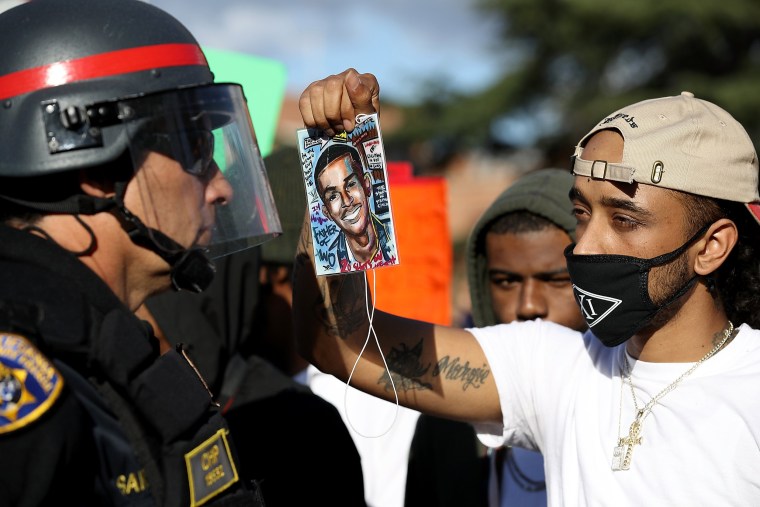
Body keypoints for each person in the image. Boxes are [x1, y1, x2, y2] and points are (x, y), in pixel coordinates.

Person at [294, 70, 760, 505]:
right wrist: (338, 143)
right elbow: (342, 341)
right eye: (582, 214)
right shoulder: (556, 368)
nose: (587, 246)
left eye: (624, 219)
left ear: (712, 246)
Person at [0, 0, 281, 504]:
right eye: (194, 148)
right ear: (91, 161)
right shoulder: (24, 378)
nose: (222, 189)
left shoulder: (96, 346)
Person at [140, 146, 367, 506]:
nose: (336, 309)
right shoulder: (112, 400)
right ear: (266, 276)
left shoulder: (307, 425)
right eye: (329, 285)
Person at [405, 168, 587, 507]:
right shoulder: (449, 426)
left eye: (556, 280)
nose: (529, 305)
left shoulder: (632, 410)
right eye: (507, 281)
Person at [313, 142, 394, 271]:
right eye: (333, 196)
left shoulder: (395, 237)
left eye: (350, 184)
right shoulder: (330, 264)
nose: (346, 201)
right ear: (326, 212)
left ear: (366, 185)